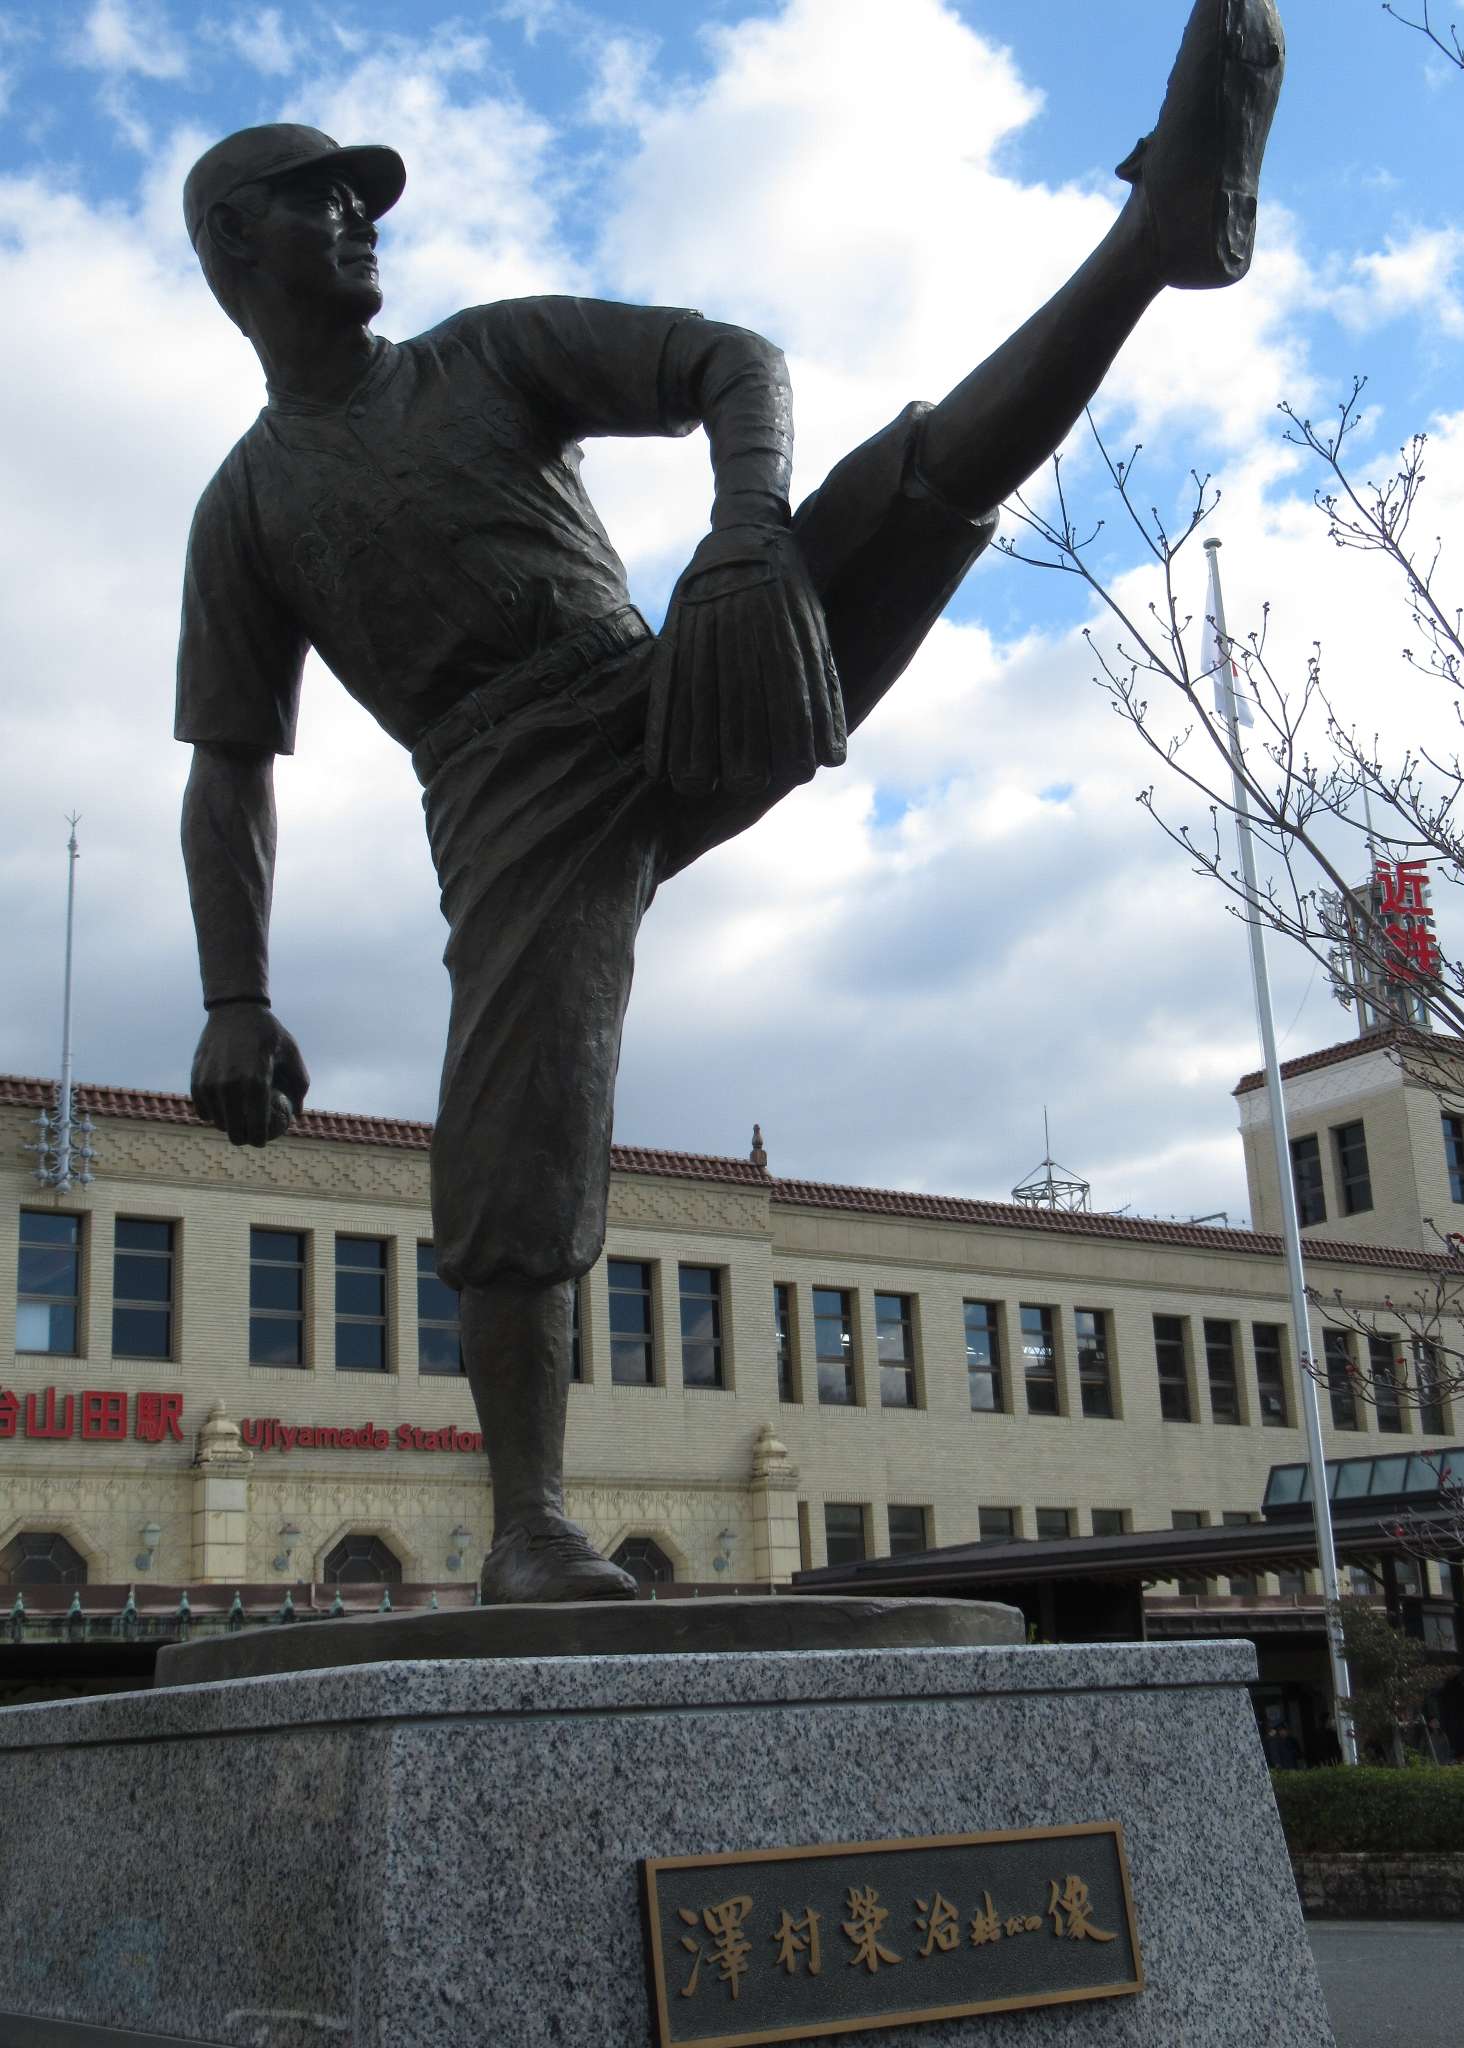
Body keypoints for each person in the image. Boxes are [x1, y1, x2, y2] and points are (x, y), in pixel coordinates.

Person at [176, 1, 1284, 1602]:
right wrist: (235, 995)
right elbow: (228, 771)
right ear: (235, 243)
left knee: (908, 489)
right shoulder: (246, 505)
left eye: (366, 197)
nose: (359, 218)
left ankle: (1150, 241)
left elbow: (729, 362)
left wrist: (751, 523)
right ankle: (527, 1524)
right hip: (508, 789)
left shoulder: (486, 354)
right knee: (515, 1113)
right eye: (319, 199)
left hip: (674, 678)